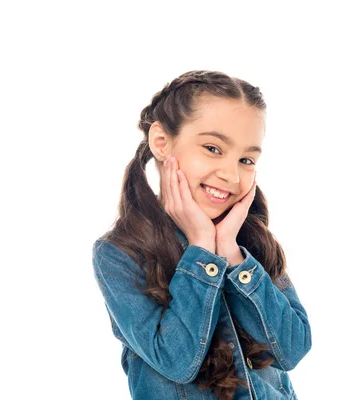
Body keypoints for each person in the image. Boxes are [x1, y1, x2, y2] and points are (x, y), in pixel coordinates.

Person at [91, 70, 312, 400]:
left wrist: (230, 252)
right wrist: (202, 252)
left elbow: (291, 350)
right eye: (212, 148)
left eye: (246, 159)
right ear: (162, 143)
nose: (231, 174)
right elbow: (177, 363)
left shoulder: (249, 243)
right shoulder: (120, 253)